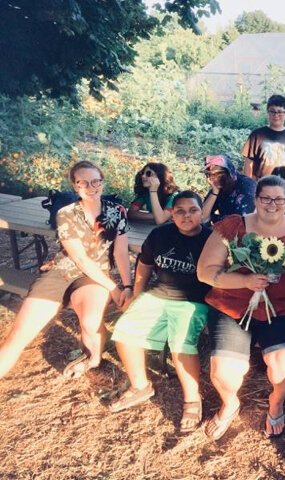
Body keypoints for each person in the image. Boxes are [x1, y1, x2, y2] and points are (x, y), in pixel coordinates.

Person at [197, 175, 285, 441]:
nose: (272, 204)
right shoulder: (233, 227)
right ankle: (230, 403)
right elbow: (205, 272)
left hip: (282, 310)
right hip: (233, 308)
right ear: (255, 199)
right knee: (225, 373)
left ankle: (276, 402)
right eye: (266, 198)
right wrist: (244, 280)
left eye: (279, 199)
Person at [0, 160, 131, 379]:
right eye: (83, 183)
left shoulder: (117, 211)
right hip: (62, 272)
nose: (91, 187)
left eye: (95, 181)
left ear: (102, 182)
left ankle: (93, 358)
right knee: (19, 335)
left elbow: (121, 252)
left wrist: (126, 285)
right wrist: (114, 289)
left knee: (90, 321)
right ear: (75, 186)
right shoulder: (66, 213)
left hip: (95, 277)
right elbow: (79, 258)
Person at [109, 191, 212, 434]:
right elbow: (144, 264)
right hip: (158, 294)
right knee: (125, 330)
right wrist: (136, 293)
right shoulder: (160, 234)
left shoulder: (211, 239)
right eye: (180, 211)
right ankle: (140, 385)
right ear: (172, 214)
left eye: (193, 210)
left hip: (192, 301)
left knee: (181, 343)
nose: (187, 216)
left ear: (202, 213)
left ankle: (192, 399)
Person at [201, 154, 256, 225]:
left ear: (229, 172)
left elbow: (240, 221)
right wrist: (215, 192)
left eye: (219, 173)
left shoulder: (247, 185)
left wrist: (214, 219)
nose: (215, 178)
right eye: (211, 174)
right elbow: (202, 217)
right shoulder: (219, 186)